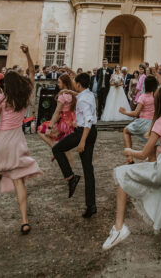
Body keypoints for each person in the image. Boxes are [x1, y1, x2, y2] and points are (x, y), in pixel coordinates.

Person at [102, 82, 161, 278]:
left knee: (121, 173)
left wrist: (129, 150)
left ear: (160, 101)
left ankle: (119, 228)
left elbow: (144, 154)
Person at [0, 45, 42, 233]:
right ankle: (24, 221)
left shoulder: (1, 99)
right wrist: (28, 53)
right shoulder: (26, 95)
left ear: (6, 85)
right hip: (17, 142)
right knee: (19, 182)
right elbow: (32, 71)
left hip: (1, 138)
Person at [52, 71, 98, 218]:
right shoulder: (88, 94)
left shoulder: (83, 99)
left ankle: (71, 178)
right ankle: (91, 205)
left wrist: (82, 141)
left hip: (83, 132)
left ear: (78, 84)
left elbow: (89, 120)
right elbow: (79, 95)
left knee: (57, 148)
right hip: (91, 132)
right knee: (88, 168)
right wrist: (68, 91)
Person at [37, 73, 77, 163]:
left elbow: (56, 112)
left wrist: (50, 128)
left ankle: (55, 149)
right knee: (67, 150)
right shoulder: (73, 95)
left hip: (63, 124)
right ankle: (70, 172)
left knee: (40, 130)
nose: (58, 84)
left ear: (64, 83)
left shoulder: (63, 96)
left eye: (59, 82)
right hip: (71, 123)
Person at [120, 75, 158, 154]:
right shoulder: (157, 96)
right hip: (155, 124)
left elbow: (135, 113)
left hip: (143, 123)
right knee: (152, 152)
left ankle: (129, 156)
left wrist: (124, 112)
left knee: (126, 131)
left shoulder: (142, 97)